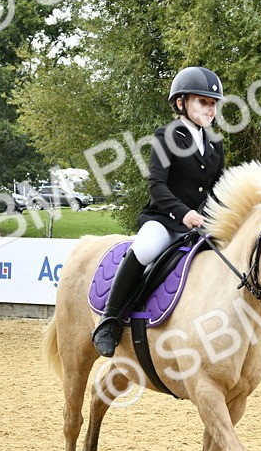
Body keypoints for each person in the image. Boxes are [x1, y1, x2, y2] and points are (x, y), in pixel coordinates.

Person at [91, 66, 225, 357]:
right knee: (145, 249)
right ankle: (110, 320)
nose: (210, 108)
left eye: (213, 103)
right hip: (166, 220)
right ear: (181, 103)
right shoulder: (166, 137)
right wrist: (184, 213)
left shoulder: (215, 143)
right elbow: (157, 186)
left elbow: (217, 187)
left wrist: (211, 216)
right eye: (203, 101)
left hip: (201, 223)